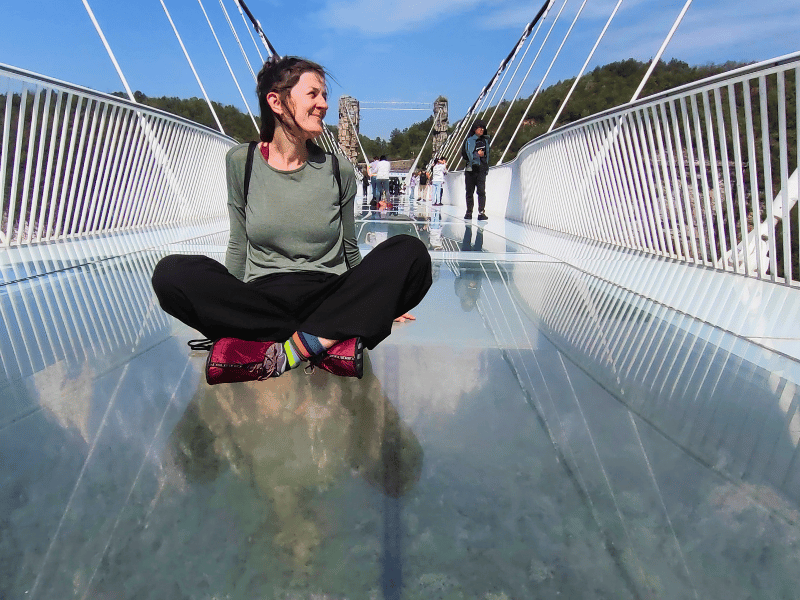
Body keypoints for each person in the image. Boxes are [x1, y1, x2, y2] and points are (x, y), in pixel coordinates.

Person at [151, 56, 432, 381]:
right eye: (313, 94)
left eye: (324, 95)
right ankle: (324, 341)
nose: (324, 104)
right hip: (262, 297)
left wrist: (378, 296)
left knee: (410, 252)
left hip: (328, 294)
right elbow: (238, 243)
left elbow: (350, 248)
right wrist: (228, 298)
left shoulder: (337, 169)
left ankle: (283, 348)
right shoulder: (242, 162)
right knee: (171, 273)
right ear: (276, 101)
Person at [463, 119, 490, 221]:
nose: (482, 129)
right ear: (475, 129)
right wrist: (476, 155)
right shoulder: (468, 140)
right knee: (469, 191)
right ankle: (469, 211)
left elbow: (487, 155)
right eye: (480, 128)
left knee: (481, 191)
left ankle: (481, 212)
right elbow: (464, 154)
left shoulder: (485, 141)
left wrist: (485, 165)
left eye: (483, 128)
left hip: (481, 169)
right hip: (470, 169)